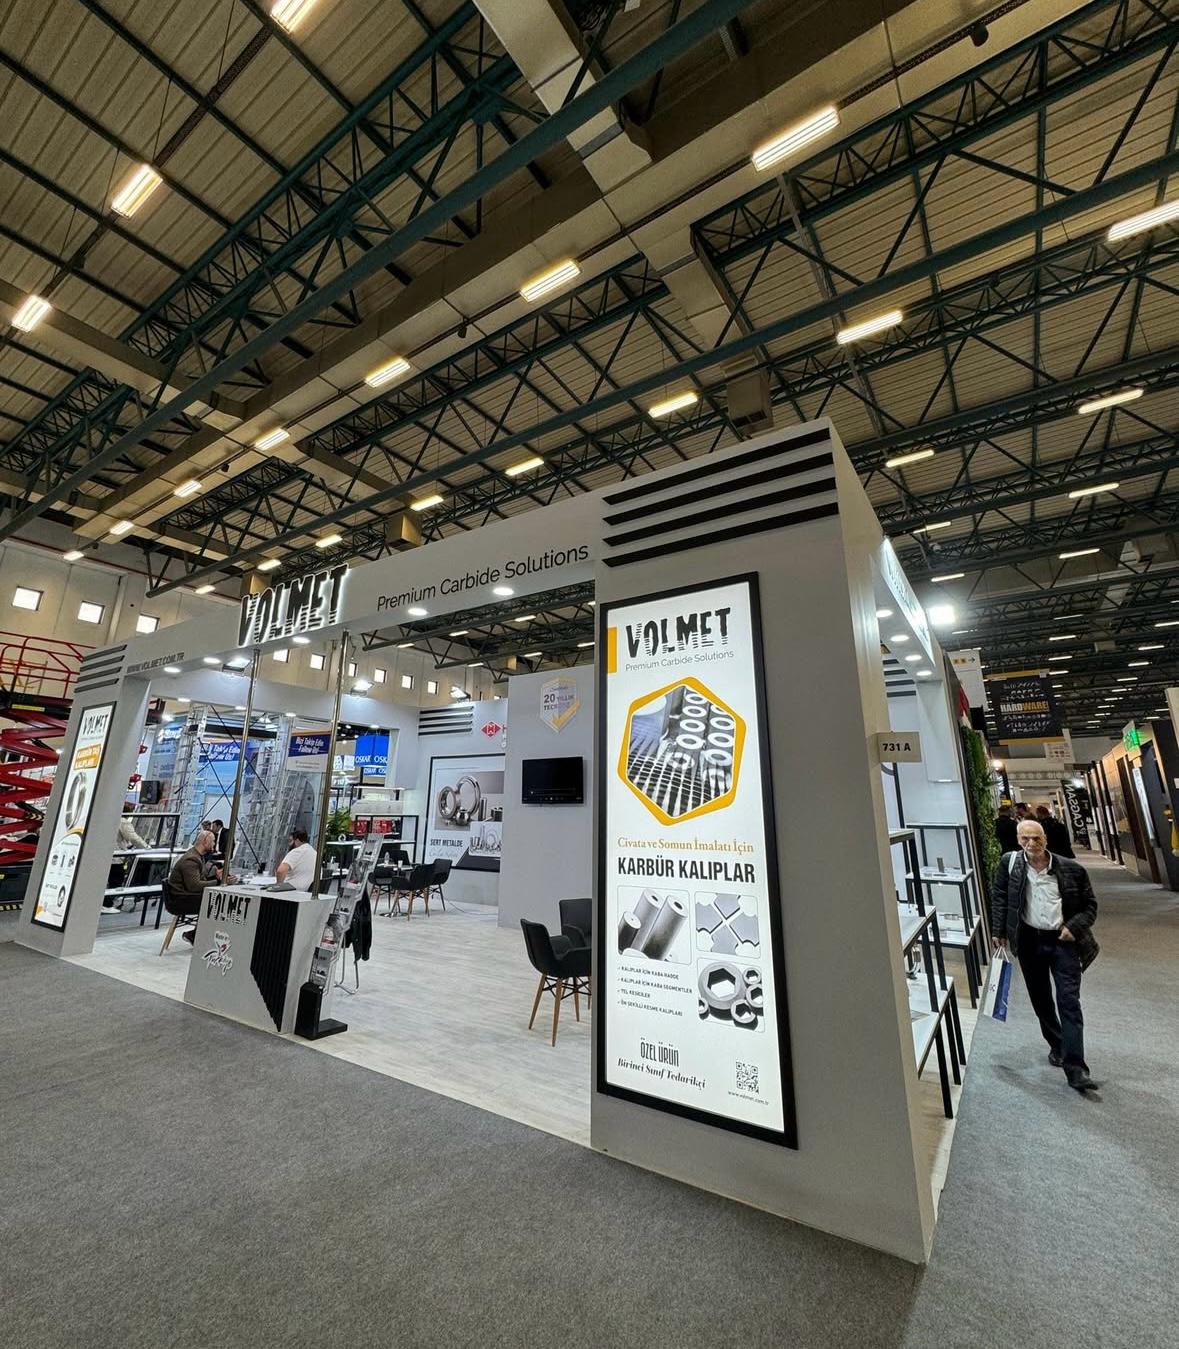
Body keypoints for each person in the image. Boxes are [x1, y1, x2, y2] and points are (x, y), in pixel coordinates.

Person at [991, 818, 1099, 1092]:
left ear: (1045, 839)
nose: (1031, 844)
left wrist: (1072, 928)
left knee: (1069, 1001)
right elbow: (1000, 895)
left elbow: (1090, 906)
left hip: (1063, 942)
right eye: (1025, 839)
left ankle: (1076, 1068)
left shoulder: (1071, 869)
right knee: (1041, 1000)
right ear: (1018, 841)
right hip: (1029, 941)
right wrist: (999, 930)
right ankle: (1058, 1044)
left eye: (1036, 838)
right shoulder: (1010, 864)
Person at [168, 830, 222, 943]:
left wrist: (215, 876)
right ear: (205, 841)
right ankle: (195, 935)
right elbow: (195, 886)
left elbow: (200, 878)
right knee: (216, 903)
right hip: (181, 899)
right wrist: (218, 882)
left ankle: (198, 934)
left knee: (215, 900)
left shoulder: (197, 856)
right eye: (213, 841)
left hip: (185, 895)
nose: (214, 844)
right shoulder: (191, 859)